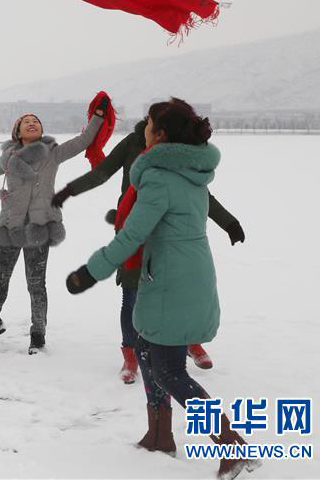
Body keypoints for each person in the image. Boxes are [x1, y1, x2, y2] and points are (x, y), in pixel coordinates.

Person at [66, 99, 260, 479]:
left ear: (161, 134)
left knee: (169, 371)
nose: (144, 127)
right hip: (186, 272)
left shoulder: (158, 178)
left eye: (149, 123)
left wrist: (90, 272)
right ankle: (159, 435)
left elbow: (132, 236)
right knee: (145, 351)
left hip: (172, 279)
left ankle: (233, 446)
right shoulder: (190, 171)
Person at [52, 101, 245, 381]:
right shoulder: (133, 143)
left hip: (167, 237)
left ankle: (188, 341)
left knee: (177, 291)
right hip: (133, 227)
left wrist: (228, 222)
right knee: (132, 295)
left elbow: (198, 192)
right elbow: (102, 172)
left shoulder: (180, 152)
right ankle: (131, 354)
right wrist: (70, 190)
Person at [0, 96, 107, 354]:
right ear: (17, 132)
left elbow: (84, 140)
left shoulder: (53, 153)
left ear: (41, 130)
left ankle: (38, 335)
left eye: (36, 121)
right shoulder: (7, 159)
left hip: (38, 228)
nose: (32, 123)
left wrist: (98, 116)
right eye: (26, 122)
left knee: (36, 283)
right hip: (11, 226)